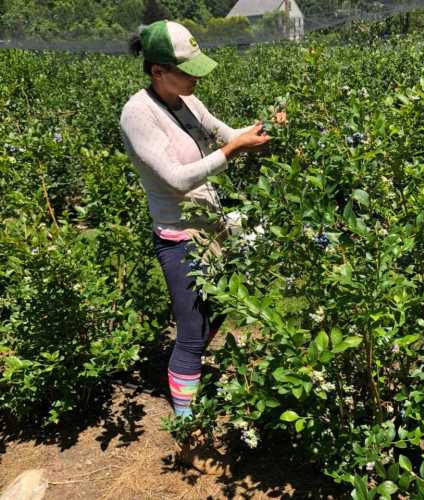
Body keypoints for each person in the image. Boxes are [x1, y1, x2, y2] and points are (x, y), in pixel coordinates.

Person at [119, 20, 272, 475]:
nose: (195, 80)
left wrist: (256, 133)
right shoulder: (137, 114)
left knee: (215, 313)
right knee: (189, 333)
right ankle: (189, 431)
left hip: (213, 228)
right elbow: (176, 178)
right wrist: (233, 151)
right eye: (187, 72)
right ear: (157, 71)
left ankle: (191, 376)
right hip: (179, 236)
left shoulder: (186, 100)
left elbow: (224, 131)